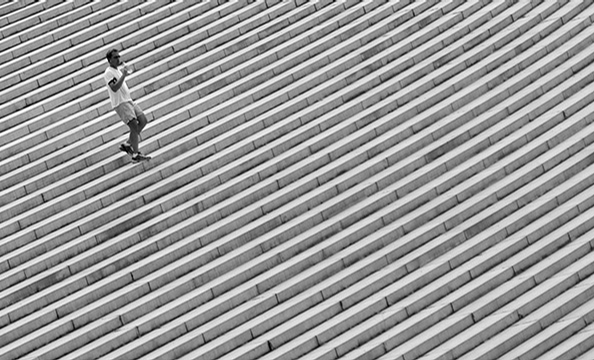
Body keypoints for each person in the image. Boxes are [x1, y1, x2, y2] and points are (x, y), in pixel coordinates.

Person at [104, 49, 151, 162]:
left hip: (128, 100)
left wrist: (123, 74)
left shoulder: (118, 71)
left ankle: (128, 144)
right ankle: (135, 154)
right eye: (115, 57)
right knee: (134, 126)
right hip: (121, 103)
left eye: (118, 56)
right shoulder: (108, 73)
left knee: (143, 120)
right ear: (110, 60)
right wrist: (124, 75)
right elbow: (114, 88)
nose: (118, 59)